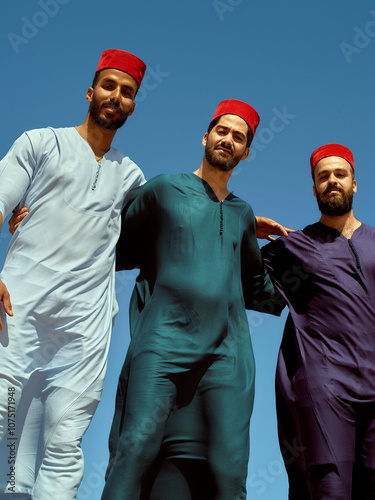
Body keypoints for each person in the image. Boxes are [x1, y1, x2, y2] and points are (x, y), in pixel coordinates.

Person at [101, 99, 284, 500]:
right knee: (135, 450)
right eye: (222, 131)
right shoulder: (165, 189)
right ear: (206, 136)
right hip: (163, 342)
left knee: (229, 471)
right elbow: (106, 242)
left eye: (239, 137)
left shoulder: (241, 213)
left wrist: (307, 263)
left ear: (246, 152)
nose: (228, 140)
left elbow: (261, 288)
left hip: (227, 353)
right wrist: (43, 224)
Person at [0, 49, 147, 500]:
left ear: (133, 105)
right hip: (18, 311)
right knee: (4, 431)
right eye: (109, 86)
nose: (116, 97)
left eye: (128, 92)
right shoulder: (40, 143)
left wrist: (239, 219)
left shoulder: (132, 177)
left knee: (64, 445)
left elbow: (168, 229)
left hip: (84, 330)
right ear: (90, 91)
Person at [260, 143, 375, 499]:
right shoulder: (296, 247)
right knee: (330, 486)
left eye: (339, 175)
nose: (332, 182)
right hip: (326, 385)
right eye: (323, 177)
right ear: (314, 189)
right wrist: (246, 227)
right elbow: (234, 271)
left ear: (354, 183)